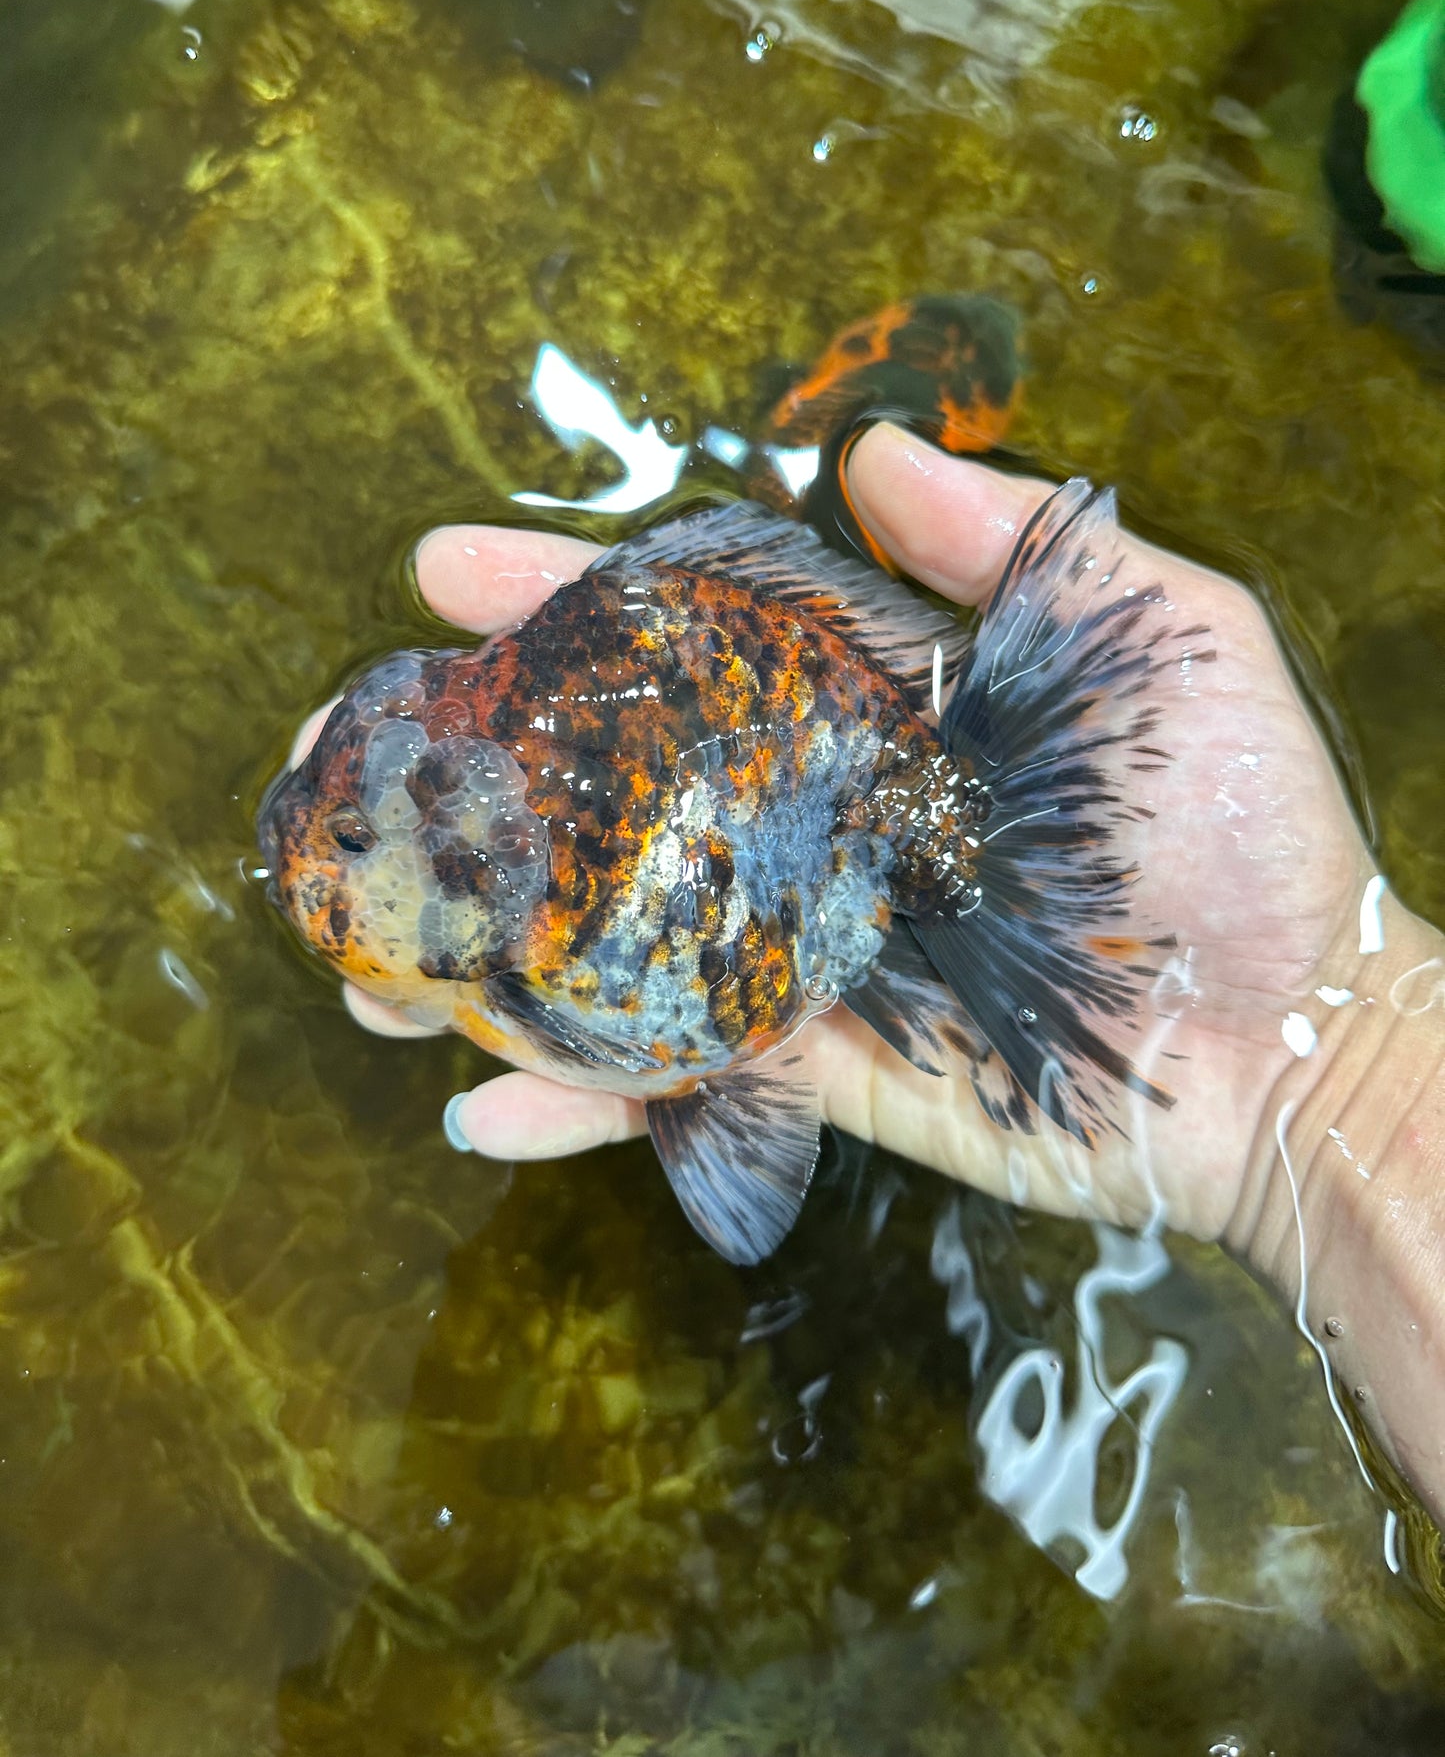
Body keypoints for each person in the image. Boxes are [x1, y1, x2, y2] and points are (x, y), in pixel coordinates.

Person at [300, 423, 1445, 1528]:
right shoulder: (506, 941)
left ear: (465, 844)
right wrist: (1331, 1062)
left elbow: (704, 1119)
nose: (313, 857)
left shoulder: (519, 965)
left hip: (829, 806)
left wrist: (1326, 1056)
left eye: (349, 835)